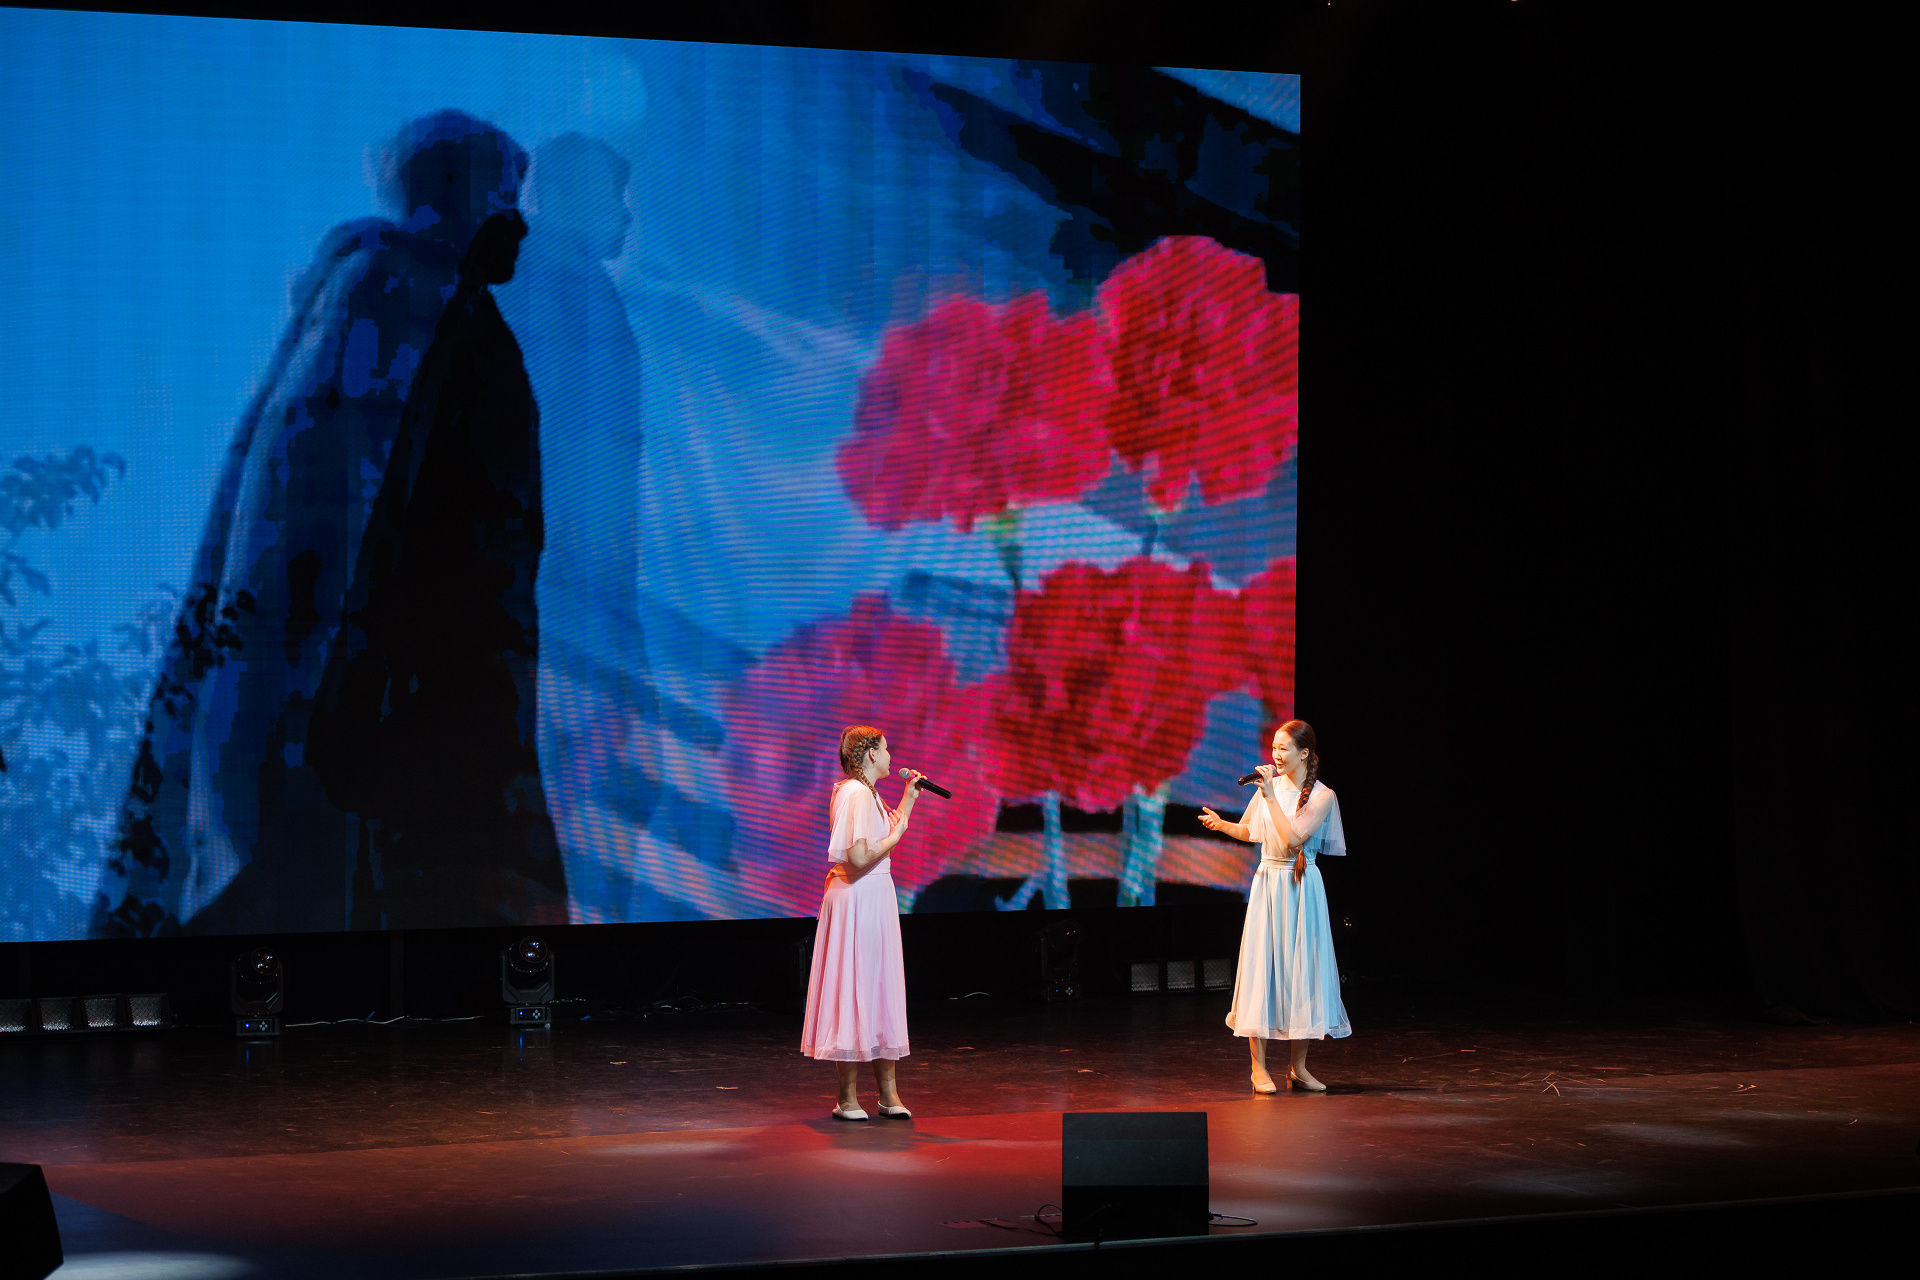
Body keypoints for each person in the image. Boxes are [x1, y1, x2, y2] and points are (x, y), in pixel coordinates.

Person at [101, 112, 529, 938]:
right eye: (506, 192)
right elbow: (327, 498)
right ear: (461, 189)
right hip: (331, 697)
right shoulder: (394, 289)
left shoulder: (406, 296)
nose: (519, 218)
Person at [310, 207, 568, 929]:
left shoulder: (477, 342)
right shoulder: (462, 344)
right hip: (450, 680)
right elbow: (411, 523)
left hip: (462, 675)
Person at [1199, 718, 1349, 1092]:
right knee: (1262, 970)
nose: (1276, 755)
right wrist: (1222, 825)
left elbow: (1292, 837)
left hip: (1302, 887)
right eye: (1273, 748)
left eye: (1284, 748)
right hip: (1268, 883)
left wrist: (1269, 795)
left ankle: (1298, 1068)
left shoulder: (1323, 796)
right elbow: (1252, 831)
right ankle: (1258, 1069)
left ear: (1304, 754)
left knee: (1304, 972)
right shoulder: (1271, 788)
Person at [801, 725, 926, 1119]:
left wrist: (908, 801)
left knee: (879, 988)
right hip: (857, 896)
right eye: (886, 749)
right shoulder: (855, 792)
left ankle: (888, 1096)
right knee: (853, 989)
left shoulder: (868, 792)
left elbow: (881, 838)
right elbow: (857, 857)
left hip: (875, 895)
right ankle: (847, 1098)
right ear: (871, 753)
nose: (890, 756)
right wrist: (898, 835)